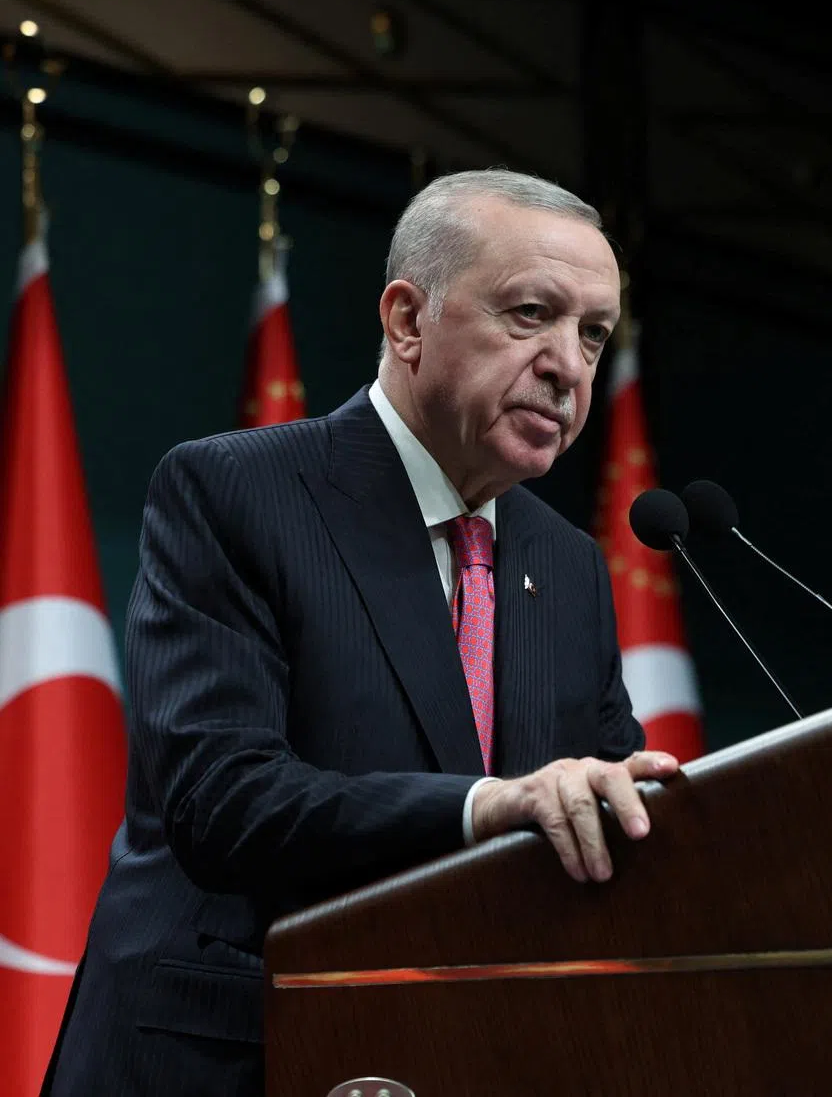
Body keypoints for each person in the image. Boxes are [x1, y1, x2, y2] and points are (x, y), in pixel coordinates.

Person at [43, 169, 679, 1096]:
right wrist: (483, 807)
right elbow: (222, 802)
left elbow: (600, 810)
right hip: (231, 1054)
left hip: (446, 1057)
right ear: (407, 321)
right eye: (531, 314)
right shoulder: (237, 492)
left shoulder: (571, 566)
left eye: (592, 335)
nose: (568, 365)